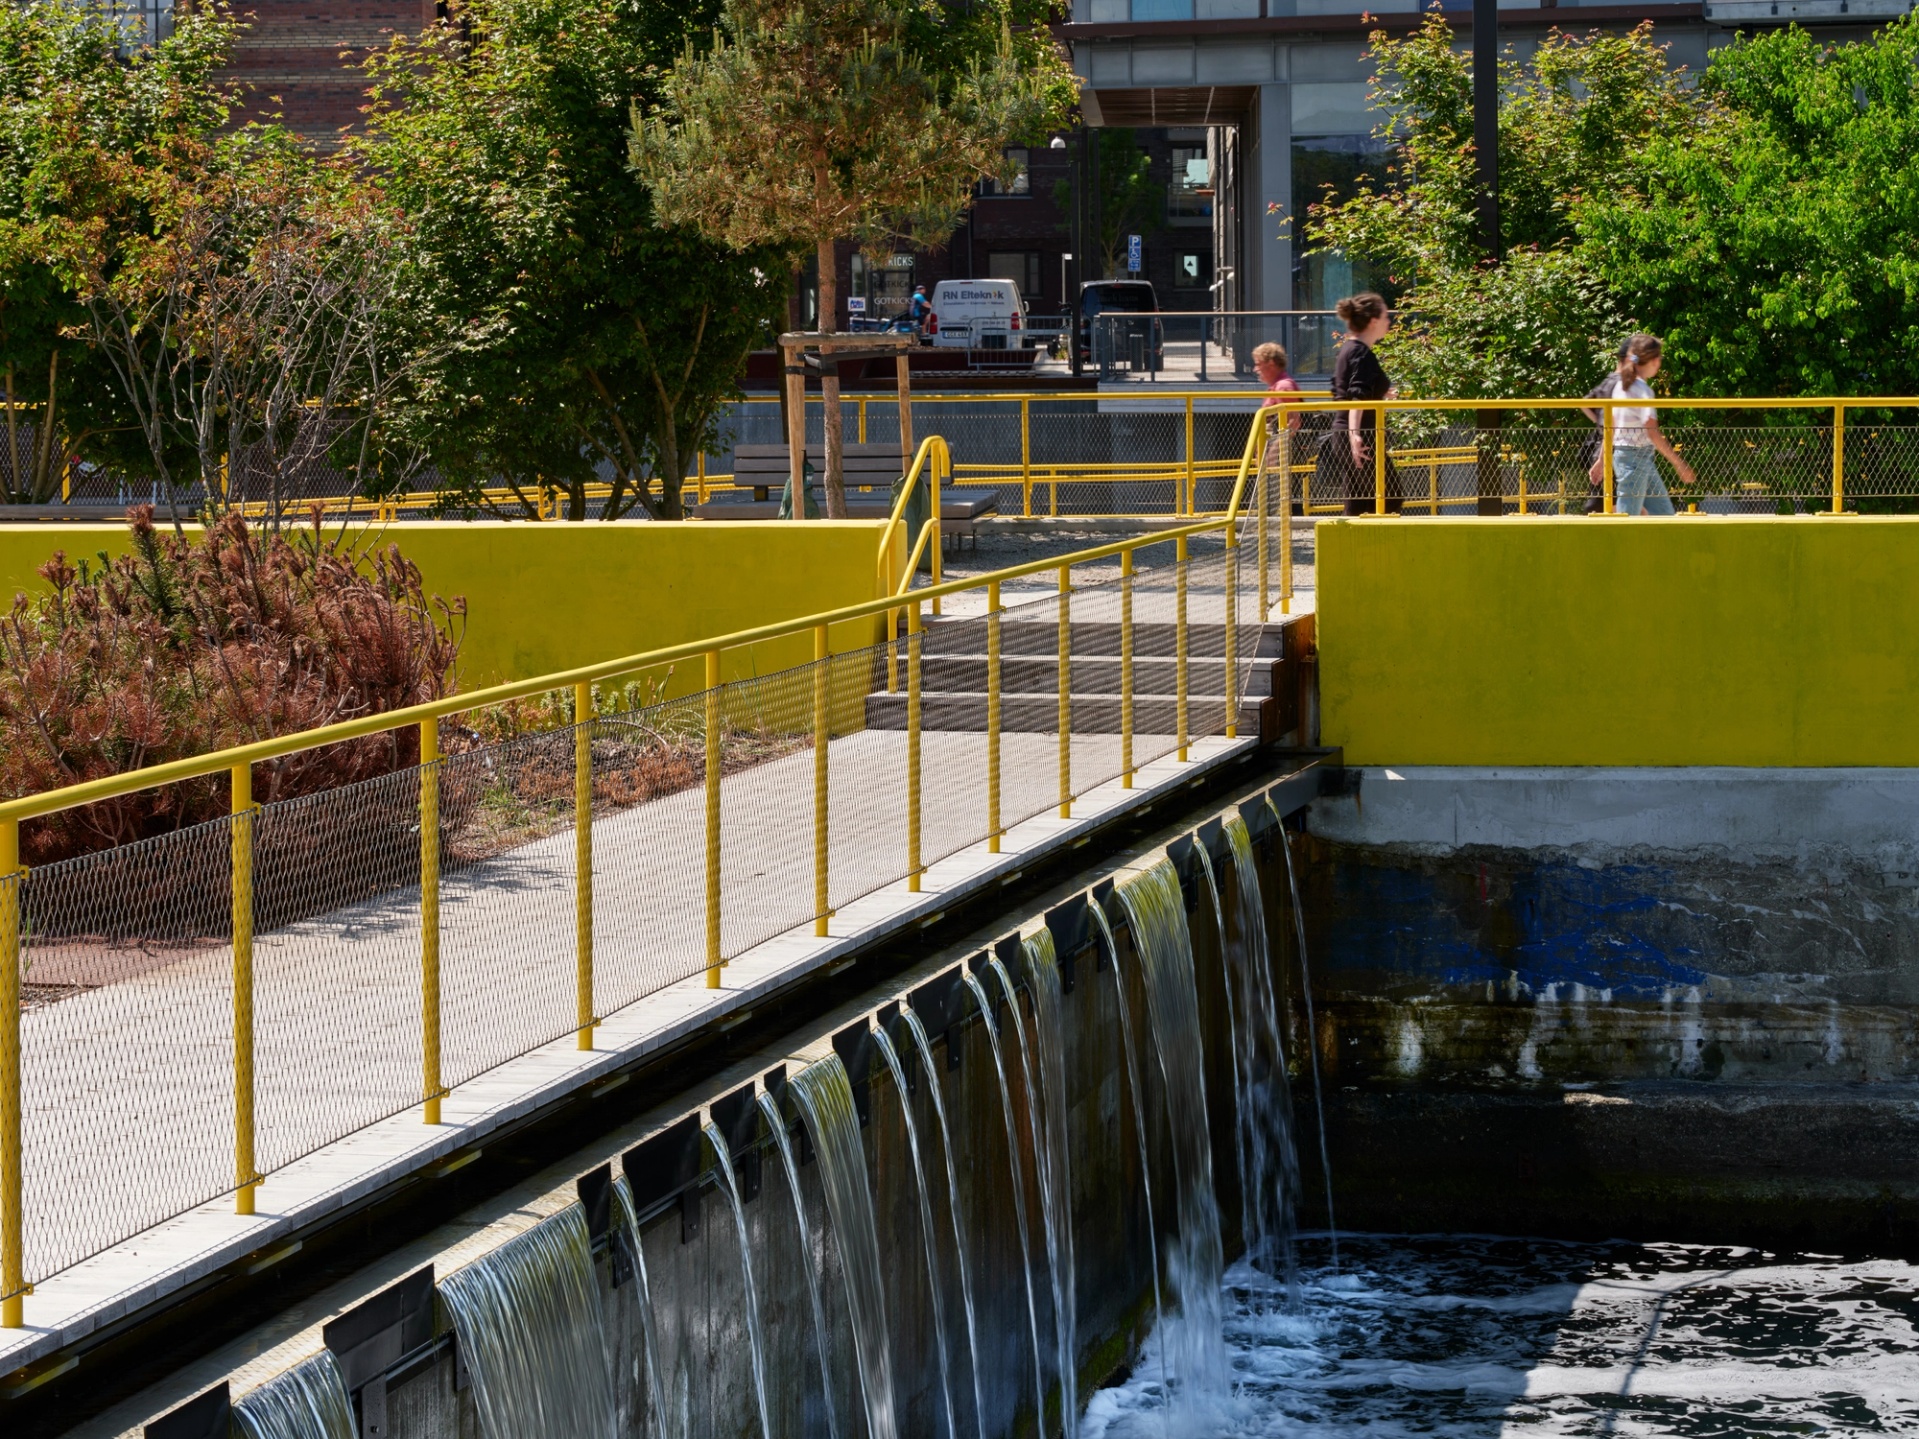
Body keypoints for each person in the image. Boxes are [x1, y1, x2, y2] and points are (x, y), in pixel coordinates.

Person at [1593, 333, 1695, 515]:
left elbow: (1611, 427)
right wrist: (1678, 463)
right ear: (1655, 361)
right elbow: (1652, 431)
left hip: (1637, 459)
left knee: (1663, 516)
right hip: (1634, 461)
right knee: (1628, 520)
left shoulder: (1622, 386)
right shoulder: (1642, 390)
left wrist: (1602, 460)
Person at [1327, 292, 1400, 515]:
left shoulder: (1349, 349)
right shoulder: (1361, 353)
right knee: (1390, 497)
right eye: (1386, 316)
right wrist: (1355, 435)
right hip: (1361, 436)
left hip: (1346, 432)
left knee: (1359, 501)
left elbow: (1341, 388)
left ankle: (1349, 549)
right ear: (1374, 321)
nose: (1389, 321)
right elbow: (1356, 396)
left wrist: (1381, 391)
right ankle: (1382, 549)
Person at [1254, 340, 1303, 513]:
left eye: (1259, 364)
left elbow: (1294, 422)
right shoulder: (1276, 386)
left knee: (1283, 498)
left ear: (1271, 364)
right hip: (1274, 460)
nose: (1256, 369)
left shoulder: (1283, 387)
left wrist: (1273, 452)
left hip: (1280, 459)